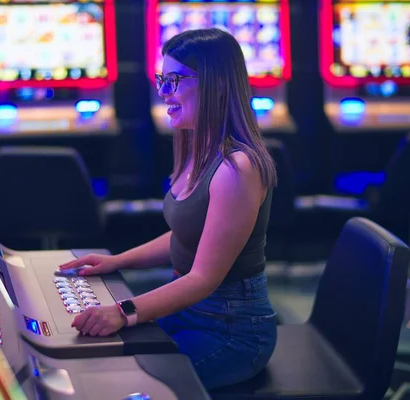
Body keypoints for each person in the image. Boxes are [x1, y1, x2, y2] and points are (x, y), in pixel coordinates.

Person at [59, 28, 278, 390]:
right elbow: (185, 234)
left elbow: (203, 278)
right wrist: (117, 260)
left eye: (174, 81)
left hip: (232, 331)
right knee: (97, 362)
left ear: (216, 85)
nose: (163, 93)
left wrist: (123, 311)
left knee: (124, 387)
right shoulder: (197, 146)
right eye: (162, 79)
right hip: (188, 309)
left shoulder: (237, 169)